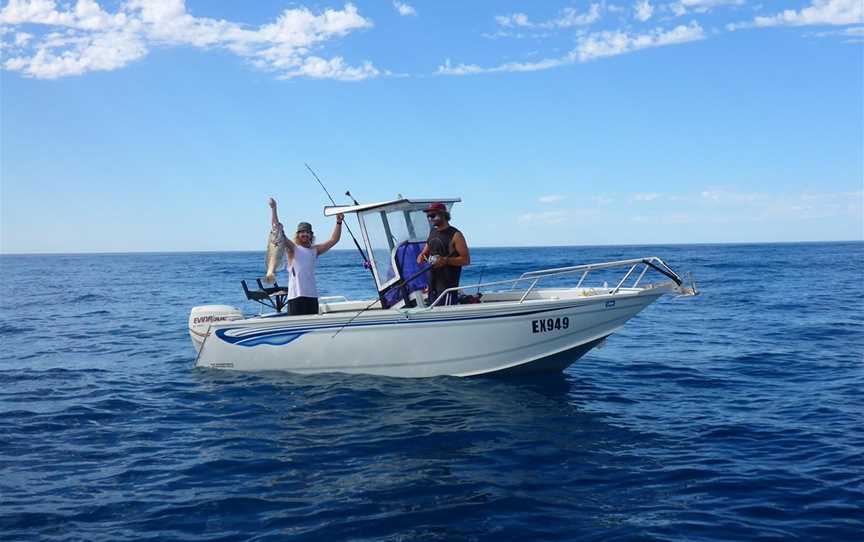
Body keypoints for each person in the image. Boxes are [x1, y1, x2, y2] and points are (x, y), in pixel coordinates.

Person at [269, 197, 343, 316]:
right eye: (302, 232)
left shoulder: (315, 250)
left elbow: (334, 239)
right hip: (296, 297)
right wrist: (274, 209)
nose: (305, 234)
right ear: (298, 235)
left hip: (312, 297)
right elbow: (277, 230)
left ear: (311, 235)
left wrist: (339, 222)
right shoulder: (292, 248)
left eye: (307, 232)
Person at [416, 202, 470, 306]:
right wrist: (421, 256)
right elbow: (425, 252)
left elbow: (466, 260)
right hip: (433, 284)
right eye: (428, 216)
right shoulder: (433, 232)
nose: (430, 219)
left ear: (443, 215)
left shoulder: (456, 235)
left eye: (433, 215)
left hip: (447, 288)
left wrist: (445, 260)